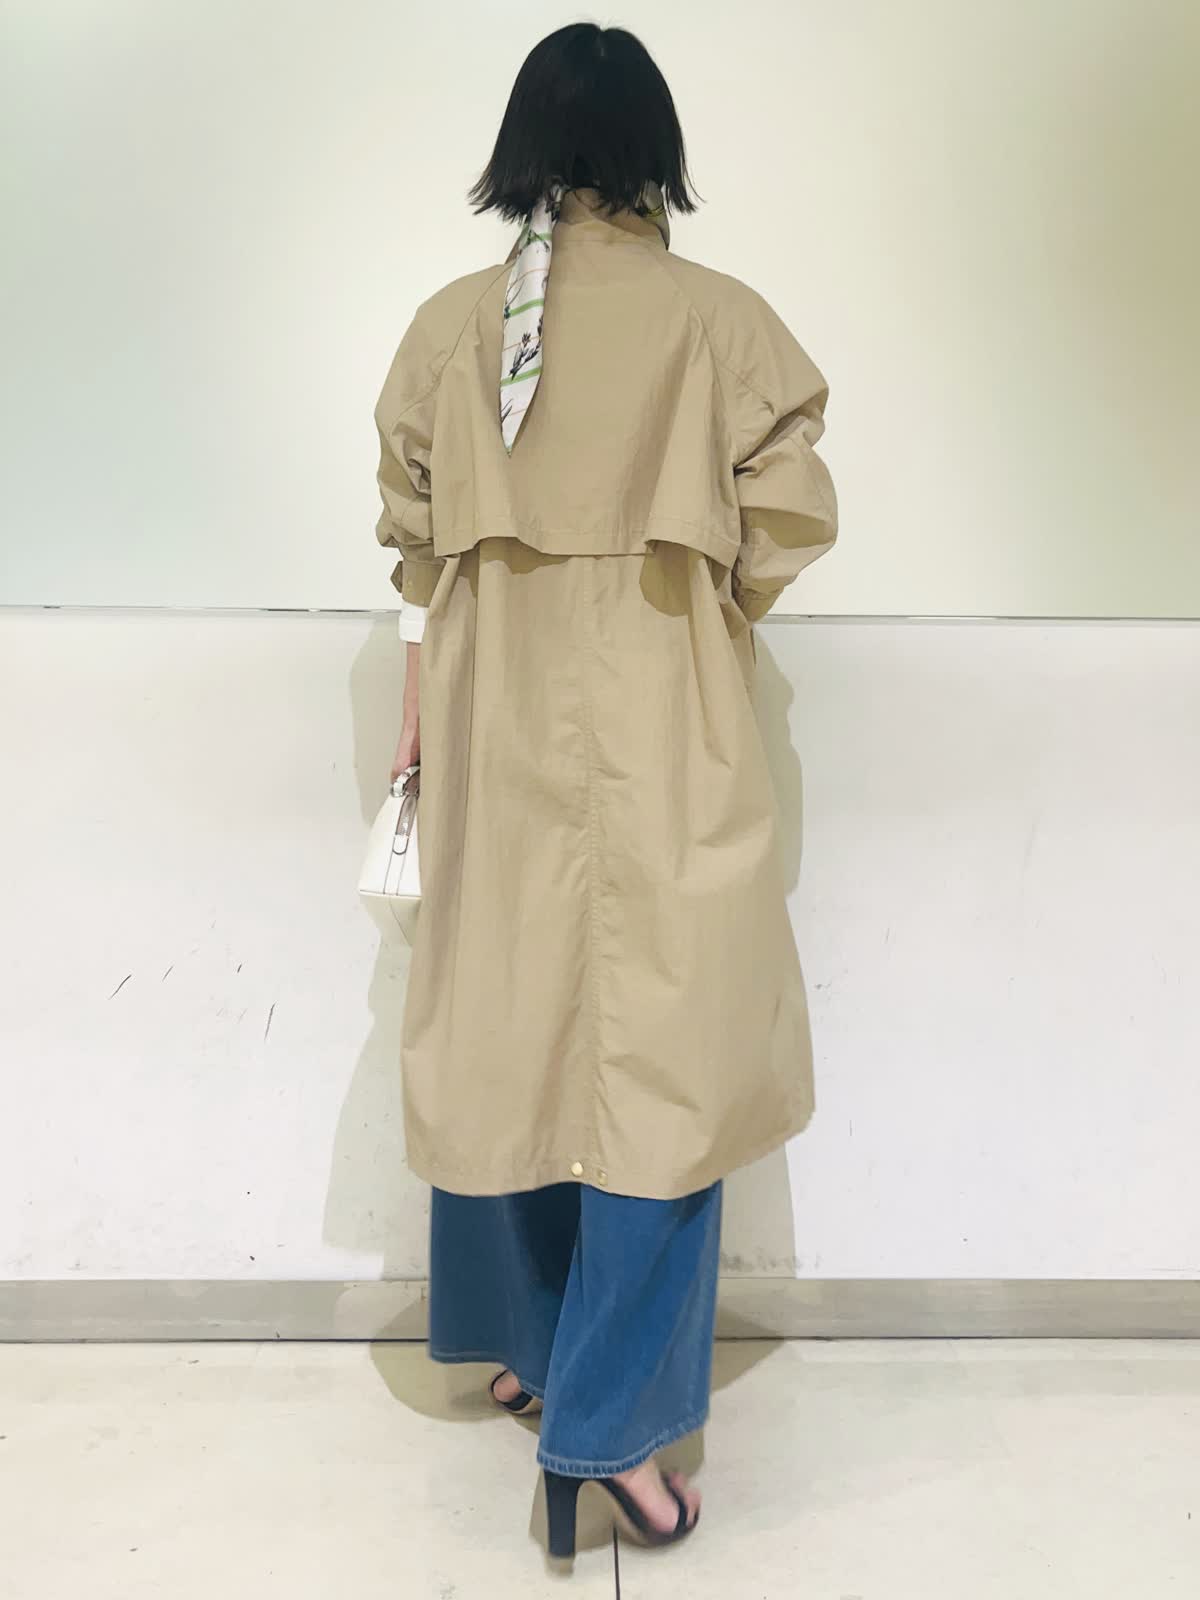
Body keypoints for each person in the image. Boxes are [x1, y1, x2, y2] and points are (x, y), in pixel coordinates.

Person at [372, 22, 837, 1563]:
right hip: (665, 716)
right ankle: (616, 1424)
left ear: (524, 150)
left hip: (497, 720)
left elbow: (411, 535)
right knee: (663, 1068)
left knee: (507, 1030)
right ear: (655, 151)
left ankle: (529, 1349)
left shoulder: (452, 329)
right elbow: (787, 519)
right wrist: (699, 601)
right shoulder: (723, 325)